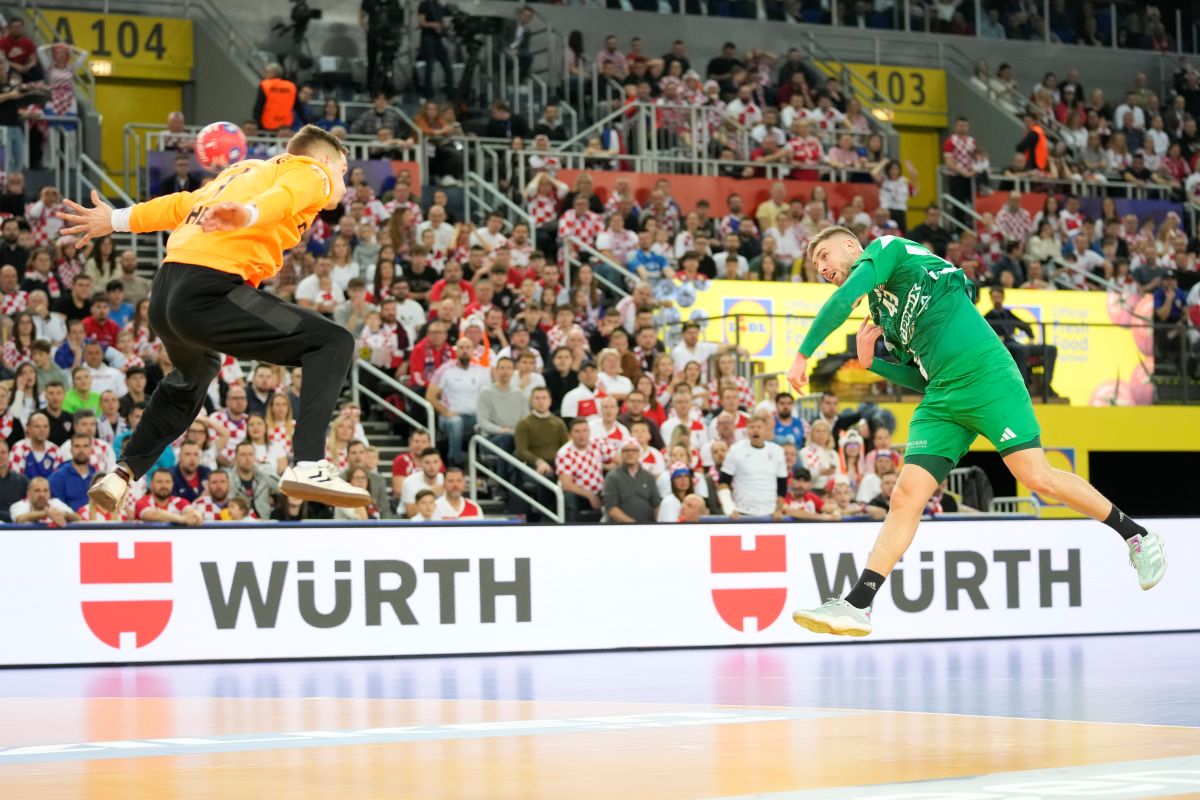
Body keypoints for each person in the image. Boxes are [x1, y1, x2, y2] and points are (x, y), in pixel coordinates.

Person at [787, 227, 1166, 637]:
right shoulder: (880, 315)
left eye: (824, 256)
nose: (821, 268)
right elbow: (920, 377)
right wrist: (873, 365)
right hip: (941, 397)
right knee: (905, 496)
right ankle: (858, 603)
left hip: (985, 374)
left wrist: (802, 355)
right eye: (815, 265)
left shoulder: (887, 248)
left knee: (1035, 477)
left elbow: (843, 300)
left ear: (850, 247)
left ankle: (1138, 536)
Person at [58, 124, 369, 513]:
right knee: (333, 342)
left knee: (195, 373)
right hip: (210, 290)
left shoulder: (242, 173)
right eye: (342, 170)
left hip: (167, 292)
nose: (341, 181)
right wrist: (250, 214)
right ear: (325, 160)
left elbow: (180, 204)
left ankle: (121, 474)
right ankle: (308, 462)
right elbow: (284, 198)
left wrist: (116, 220)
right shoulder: (312, 171)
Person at [718, 414, 788, 520]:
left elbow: (782, 483)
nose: (755, 430)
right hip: (742, 513)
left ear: (766, 430)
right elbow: (723, 482)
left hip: (770, 514)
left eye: (759, 427)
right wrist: (729, 508)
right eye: (752, 427)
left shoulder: (777, 451)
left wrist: (779, 509)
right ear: (747, 431)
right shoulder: (736, 450)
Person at [602, 438, 659, 524]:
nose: (630, 453)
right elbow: (611, 509)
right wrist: (633, 524)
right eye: (626, 450)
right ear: (621, 454)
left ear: (639, 453)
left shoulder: (649, 477)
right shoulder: (612, 477)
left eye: (634, 450)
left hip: (647, 526)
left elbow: (656, 505)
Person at [134, 468, 202, 526]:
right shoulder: (142, 502)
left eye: (168, 482)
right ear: (151, 485)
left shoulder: (180, 501)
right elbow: (154, 515)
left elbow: (194, 513)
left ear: (172, 484)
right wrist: (183, 519)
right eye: (159, 481)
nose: (164, 485)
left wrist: (195, 516)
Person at [11, 477, 79, 525]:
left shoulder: (56, 503)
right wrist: (48, 513)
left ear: (49, 493)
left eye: (45, 490)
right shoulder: (19, 505)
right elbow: (20, 519)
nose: (42, 495)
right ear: (28, 494)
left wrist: (64, 514)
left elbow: (77, 518)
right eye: (37, 490)